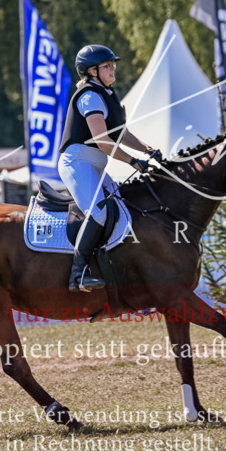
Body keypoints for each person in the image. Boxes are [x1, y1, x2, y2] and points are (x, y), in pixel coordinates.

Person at [57, 44, 160, 291]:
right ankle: (78, 274)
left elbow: (121, 134)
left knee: (121, 206)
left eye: (113, 64)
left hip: (95, 163)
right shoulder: (90, 96)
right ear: (92, 71)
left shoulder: (107, 94)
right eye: (107, 65)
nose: (113, 69)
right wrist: (133, 162)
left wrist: (147, 150)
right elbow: (103, 140)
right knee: (99, 213)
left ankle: (113, 265)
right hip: (78, 162)